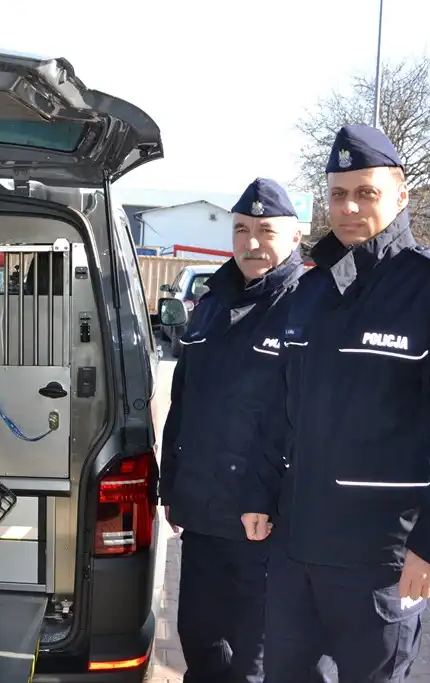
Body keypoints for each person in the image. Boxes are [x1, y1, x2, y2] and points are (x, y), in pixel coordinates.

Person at [241, 124, 430, 682]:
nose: (349, 207)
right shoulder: (310, 291)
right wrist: (257, 494)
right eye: (338, 194)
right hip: (297, 550)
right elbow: (278, 410)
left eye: (366, 192)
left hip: (382, 557)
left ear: (400, 194)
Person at [161, 178, 331, 683]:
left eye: (266, 230)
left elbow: (311, 420)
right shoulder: (213, 301)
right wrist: (172, 485)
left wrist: (269, 497)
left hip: (268, 523)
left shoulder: (311, 305)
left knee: (257, 657)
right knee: (200, 641)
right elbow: (184, 403)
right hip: (204, 515)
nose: (251, 242)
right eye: (241, 229)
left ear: (295, 236)